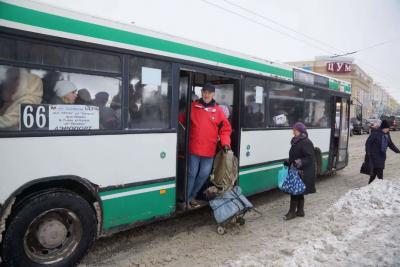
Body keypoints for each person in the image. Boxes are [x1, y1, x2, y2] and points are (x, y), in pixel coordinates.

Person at [182, 83, 232, 208]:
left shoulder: (218, 110)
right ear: (202, 92)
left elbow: (225, 129)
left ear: (213, 94)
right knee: (192, 174)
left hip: (209, 149)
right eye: (204, 92)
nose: (206, 94)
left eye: (209, 92)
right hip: (194, 148)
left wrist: (225, 143)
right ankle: (186, 200)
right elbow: (181, 120)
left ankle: (192, 196)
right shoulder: (193, 107)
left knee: (204, 175)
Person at [283, 122, 316, 220]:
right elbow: (296, 155)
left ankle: (291, 213)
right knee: (299, 191)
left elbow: (310, 158)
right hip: (296, 170)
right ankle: (300, 211)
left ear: (300, 131)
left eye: (295, 130)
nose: (293, 132)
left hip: (302, 171)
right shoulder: (296, 141)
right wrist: (289, 161)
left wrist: (299, 162)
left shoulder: (306, 142)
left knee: (295, 191)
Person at [366, 120, 400, 184]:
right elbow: (368, 143)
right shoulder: (375, 133)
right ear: (383, 128)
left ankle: (370, 186)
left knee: (374, 173)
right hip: (374, 156)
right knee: (379, 172)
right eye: (387, 128)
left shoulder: (387, 135)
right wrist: (368, 152)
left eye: (388, 129)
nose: (388, 130)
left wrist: (398, 151)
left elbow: (391, 144)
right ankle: (379, 185)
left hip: (382, 156)